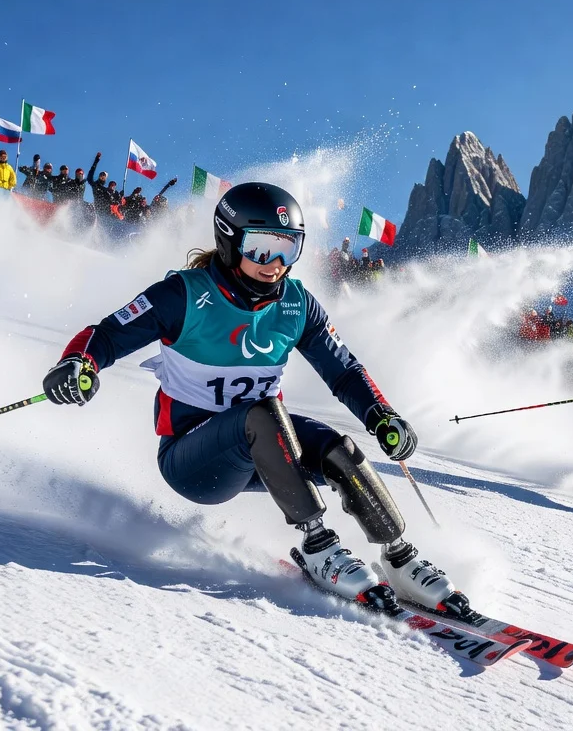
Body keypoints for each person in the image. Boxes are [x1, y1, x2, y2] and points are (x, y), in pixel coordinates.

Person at [41, 182, 462, 613]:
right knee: (262, 412)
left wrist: (382, 416)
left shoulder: (297, 305)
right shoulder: (184, 295)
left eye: (288, 249)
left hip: (266, 450)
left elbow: (344, 370)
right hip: (194, 462)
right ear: (228, 240)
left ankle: (399, 555)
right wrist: (79, 363)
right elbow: (107, 335)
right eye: (261, 248)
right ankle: (317, 545)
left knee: (338, 448)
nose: (275, 264)